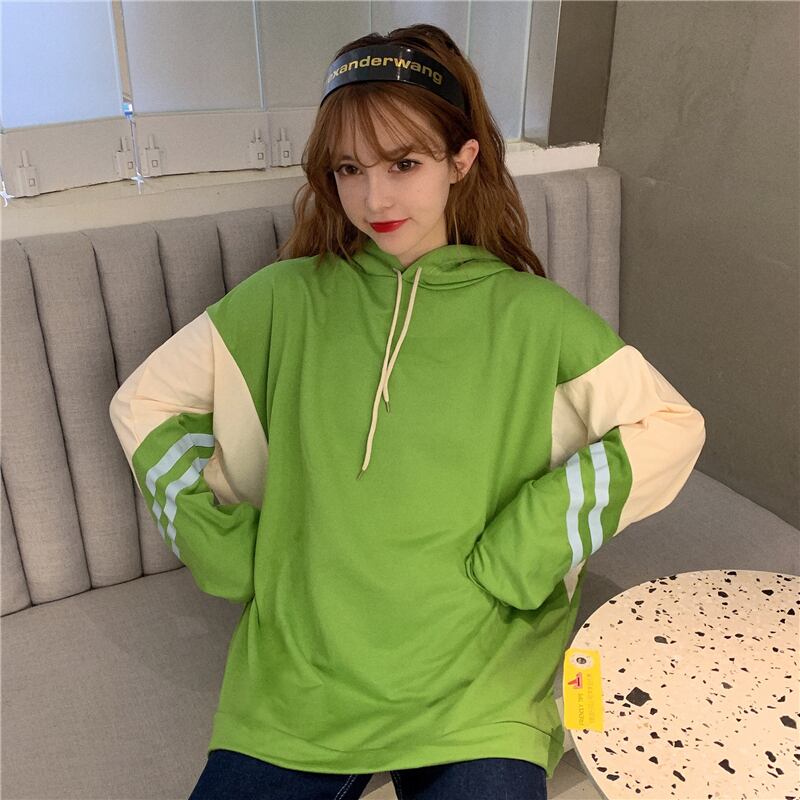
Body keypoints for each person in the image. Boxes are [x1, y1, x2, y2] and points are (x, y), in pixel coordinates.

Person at [108, 23, 706, 800]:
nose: (374, 198)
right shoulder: (284, 300)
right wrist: (230, 551)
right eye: (349, 169)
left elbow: (667, 425)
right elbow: (145, 403)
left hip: (480, 681)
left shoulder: (533, 316)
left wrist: (527, 545)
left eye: (404, 163)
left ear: (463, 159)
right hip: (304, 680)